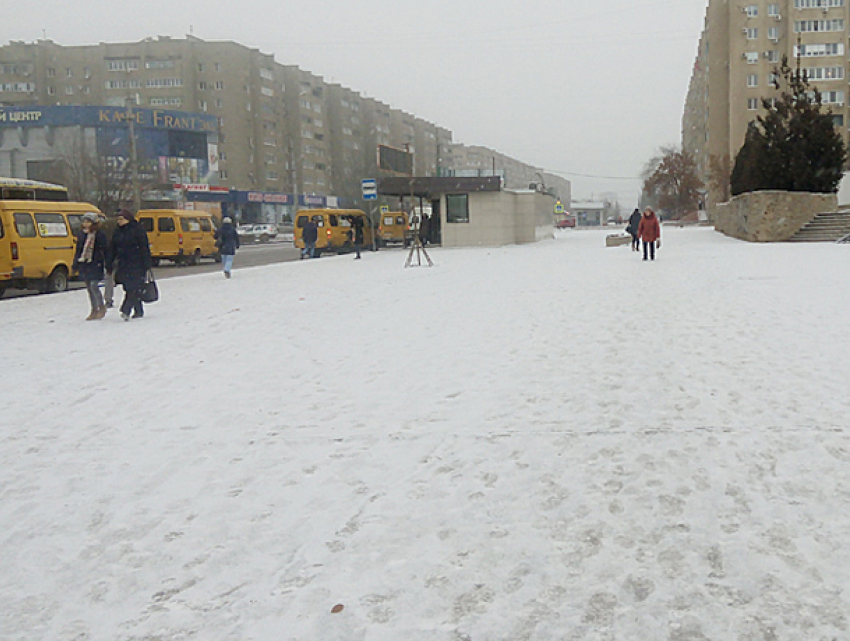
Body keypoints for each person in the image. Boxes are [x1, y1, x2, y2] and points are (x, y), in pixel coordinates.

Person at [109, 208, 152, 321]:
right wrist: (109, 262)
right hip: (124, 264)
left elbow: (144, 247)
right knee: (129, 287)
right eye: (118, 219)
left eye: (121, 219)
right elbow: (113, 248)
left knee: (133, 287)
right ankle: (139, 310)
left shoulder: (137, 230)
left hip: (137, 263)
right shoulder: (117, 231)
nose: (119, 221)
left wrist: (147, 264)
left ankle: (126, 309)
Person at [72, 212, 109, 320]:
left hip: (95, 262)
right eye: (84, 221)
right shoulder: (81, 234)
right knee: (89, 287)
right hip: (84, 263)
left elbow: (105, 249)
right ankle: (94, 309)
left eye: (88, 222)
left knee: (94, 285)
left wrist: (108, 263)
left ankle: (101, 306)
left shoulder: (100, 235)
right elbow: (79, 250)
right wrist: (75, 264)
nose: (85, 224)